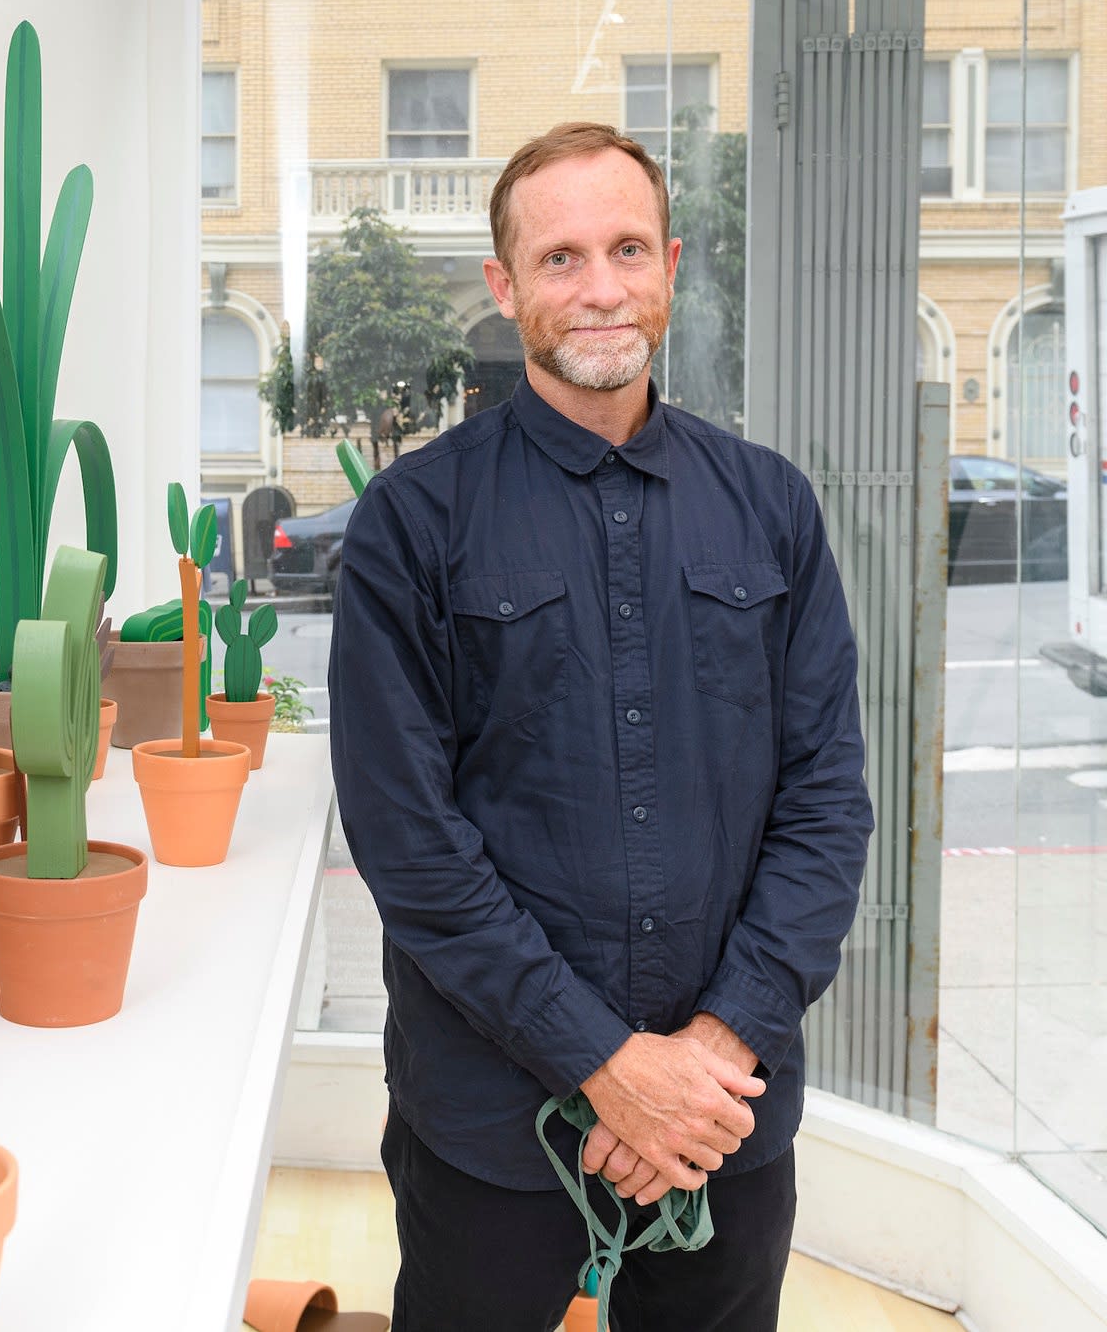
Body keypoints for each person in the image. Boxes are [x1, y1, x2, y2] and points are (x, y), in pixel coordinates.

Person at [328, 121, 872, 1331]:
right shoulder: (411, 525)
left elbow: (824, 803)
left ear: (669, 264)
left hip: (720, 1121)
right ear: (503, 285)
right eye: (560, 257)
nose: (599, 288)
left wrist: (711, 1053)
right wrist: (607, 1068)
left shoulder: (770, 506)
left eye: (626, 248)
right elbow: (407, 845)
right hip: (490, 1125)